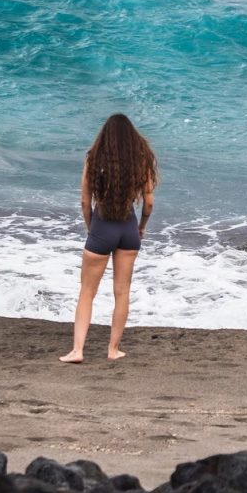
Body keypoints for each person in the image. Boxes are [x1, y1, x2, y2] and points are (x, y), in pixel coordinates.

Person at [59, 114, 158, 363]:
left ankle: (78, 350)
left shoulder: (94, 158)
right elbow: (148, 203)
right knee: (122, 293)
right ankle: (113, 350)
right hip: (128, 229)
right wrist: (141, 227)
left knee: (87, 292)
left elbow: (84, 201)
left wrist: (92, 227)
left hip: (103, 228)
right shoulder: (141, 159)